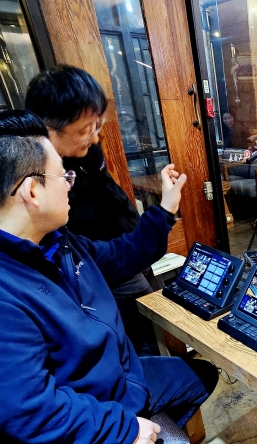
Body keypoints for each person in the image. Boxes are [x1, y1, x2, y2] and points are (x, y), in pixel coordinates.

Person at [0, 110, 218, 443]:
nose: (69, 185)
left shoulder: (51, 240)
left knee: (202, 375)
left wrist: (166, 209)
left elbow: (121, 256)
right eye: (64, 176)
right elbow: (34, 415)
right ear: (32, 191)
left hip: (116, 380)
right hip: (83, 409)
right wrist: (125, 428)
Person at [26, 65, 158, 355]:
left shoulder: (88, 150)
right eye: (86, 130)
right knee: (138, 331)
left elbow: (109, 192)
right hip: (101, 262)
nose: (96, 138)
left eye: (98, 126)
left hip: (126, 245)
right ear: (47, 128)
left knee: (155, 311)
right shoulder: (39, 175)